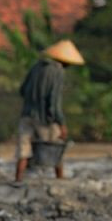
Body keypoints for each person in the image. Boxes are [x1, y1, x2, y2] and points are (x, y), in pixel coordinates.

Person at [14, 39, 85, 181]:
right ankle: (60, 177)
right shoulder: (57, 72)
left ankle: (18, 178)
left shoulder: (36, 67)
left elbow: (22, 90)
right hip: (44, 118)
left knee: (23, 149)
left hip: (26, 115)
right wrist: (61, 123)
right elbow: (54, 101)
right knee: (56, 144)